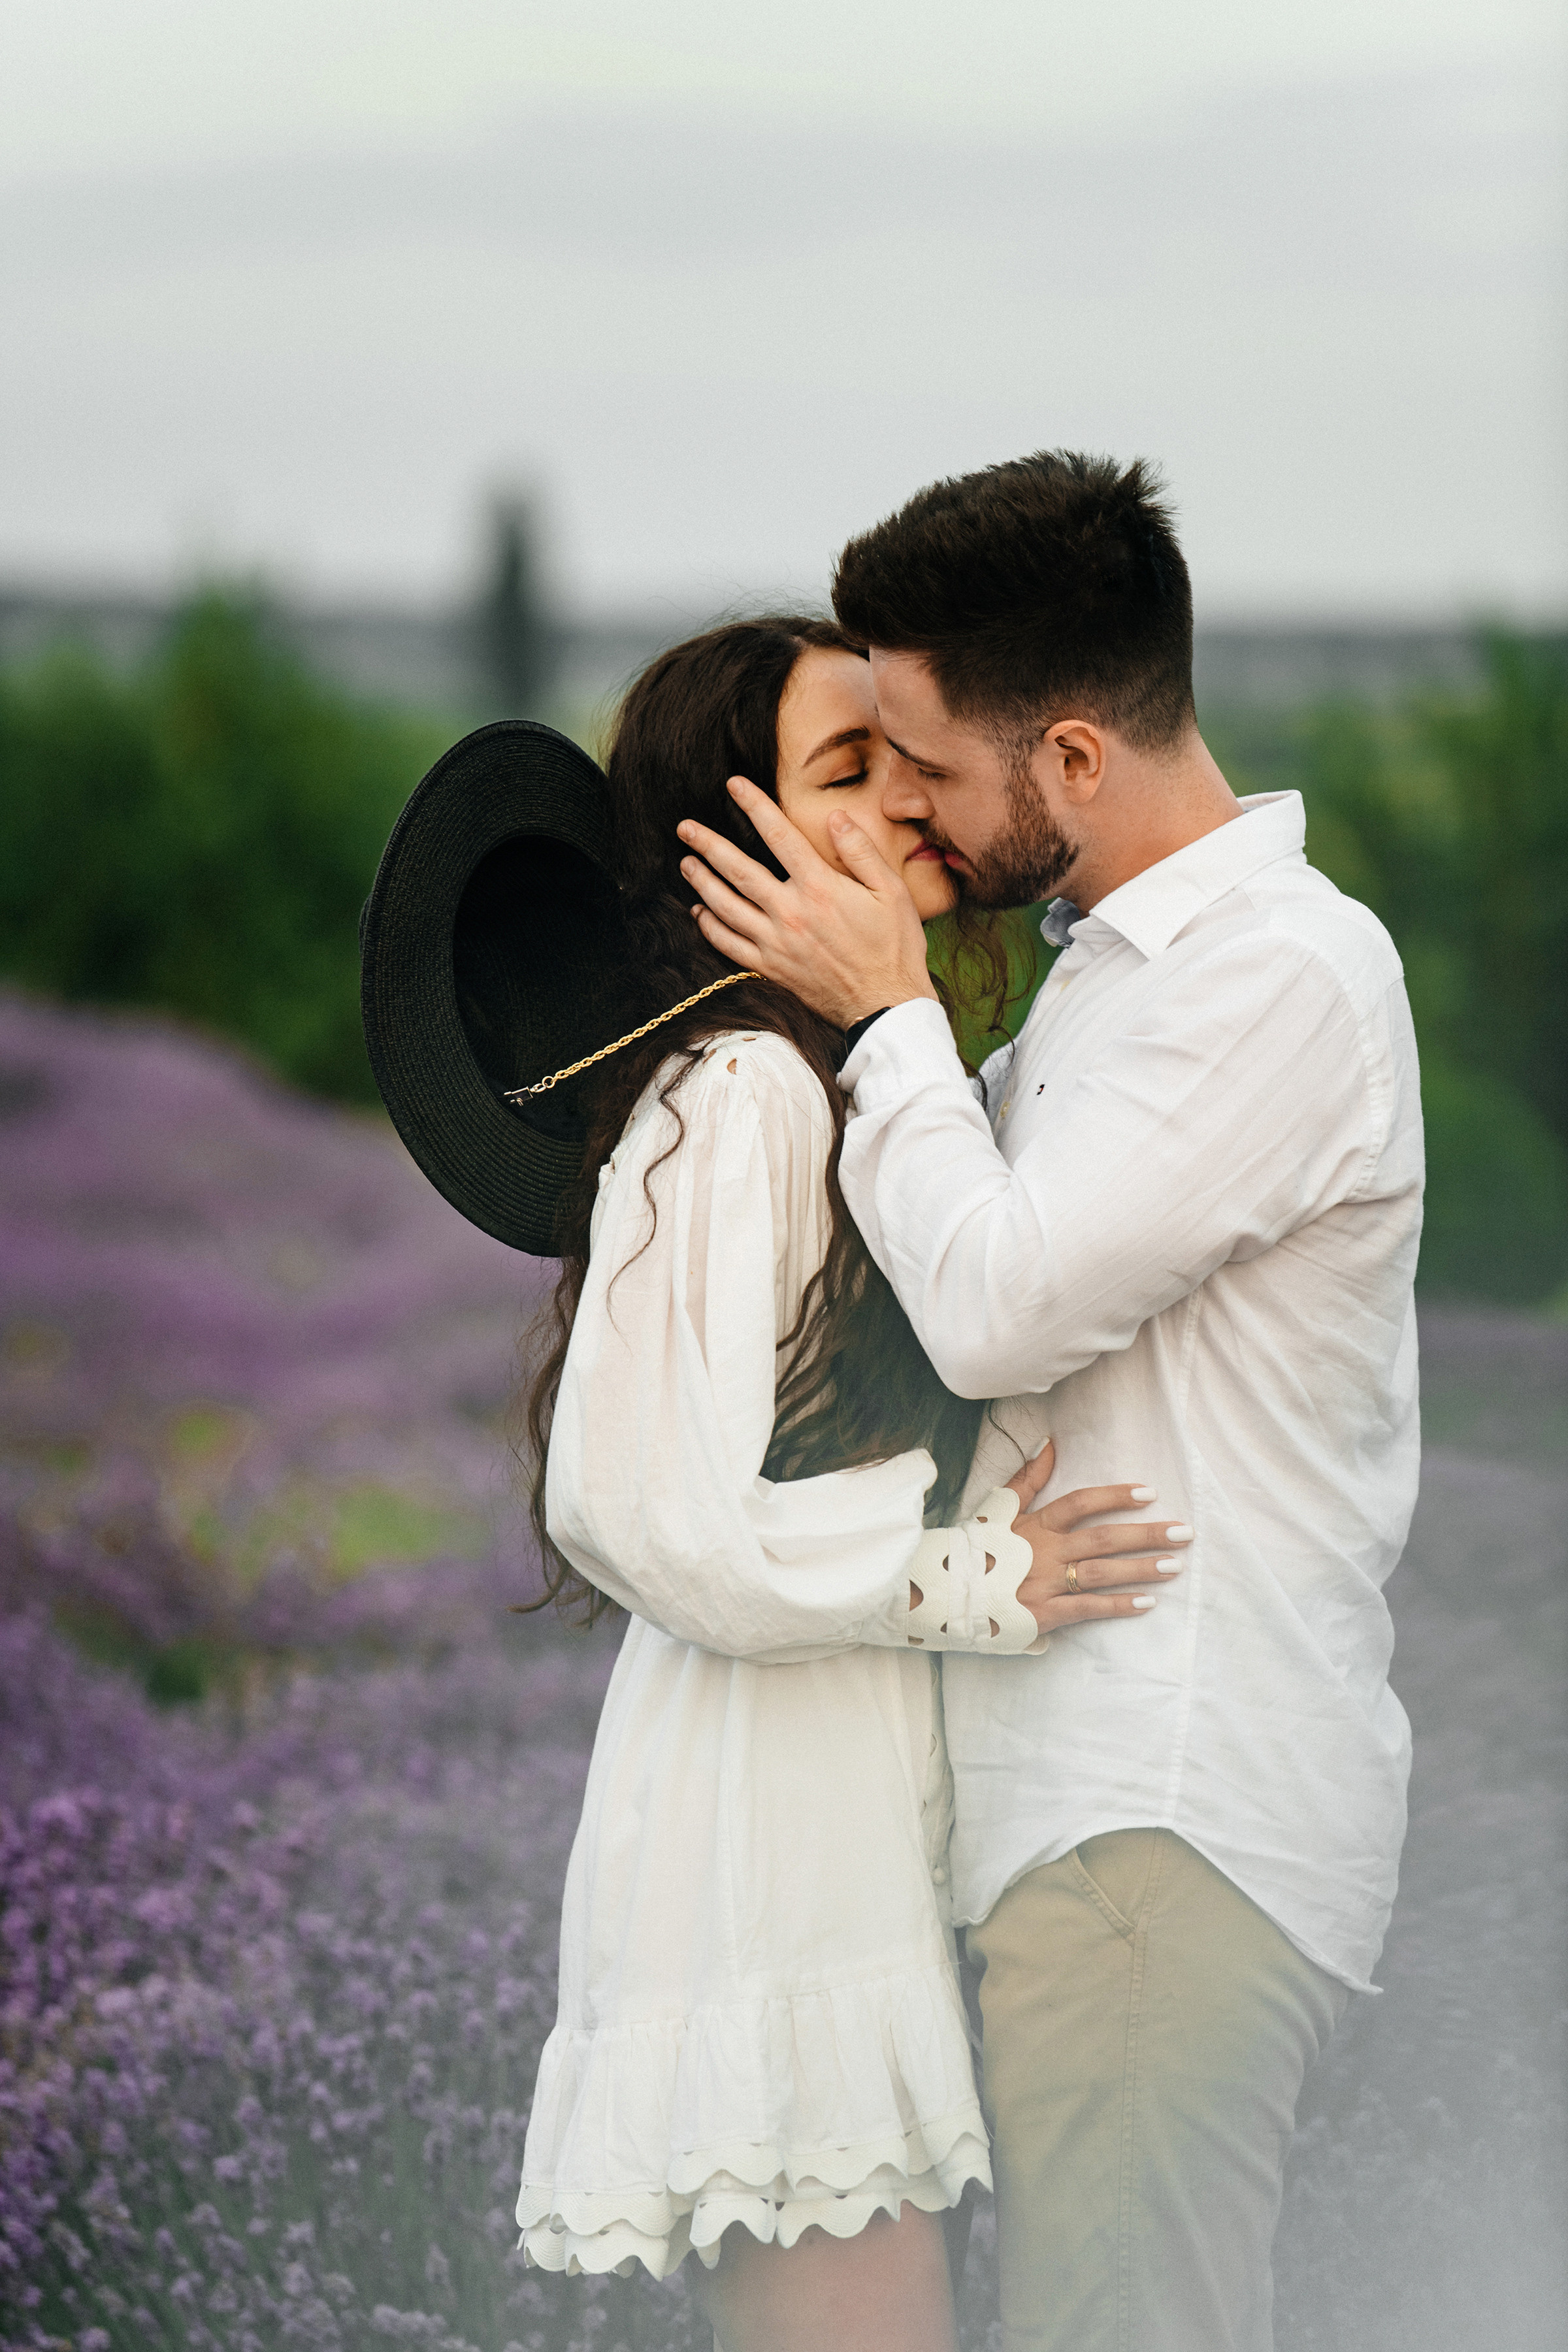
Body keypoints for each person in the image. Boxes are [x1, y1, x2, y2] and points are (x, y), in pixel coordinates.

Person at [678, 459, 1422, 2352]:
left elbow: (1003, 1306)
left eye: (920, 762)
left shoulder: (1276, 983)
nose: (904, 804)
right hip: (1089, 1831)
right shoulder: (1121, 978)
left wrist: (887, 1011)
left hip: (1156, 1827)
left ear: (1074, 758)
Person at [510, 618, 1188, 2352]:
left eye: (902, 757)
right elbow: (635, 1504)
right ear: (726, 854)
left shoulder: (852, 1080)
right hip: (770, 1793)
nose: (904, 797)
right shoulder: (740, 1091)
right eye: (843, 771)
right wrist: (971, 1582)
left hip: (842, 1765)